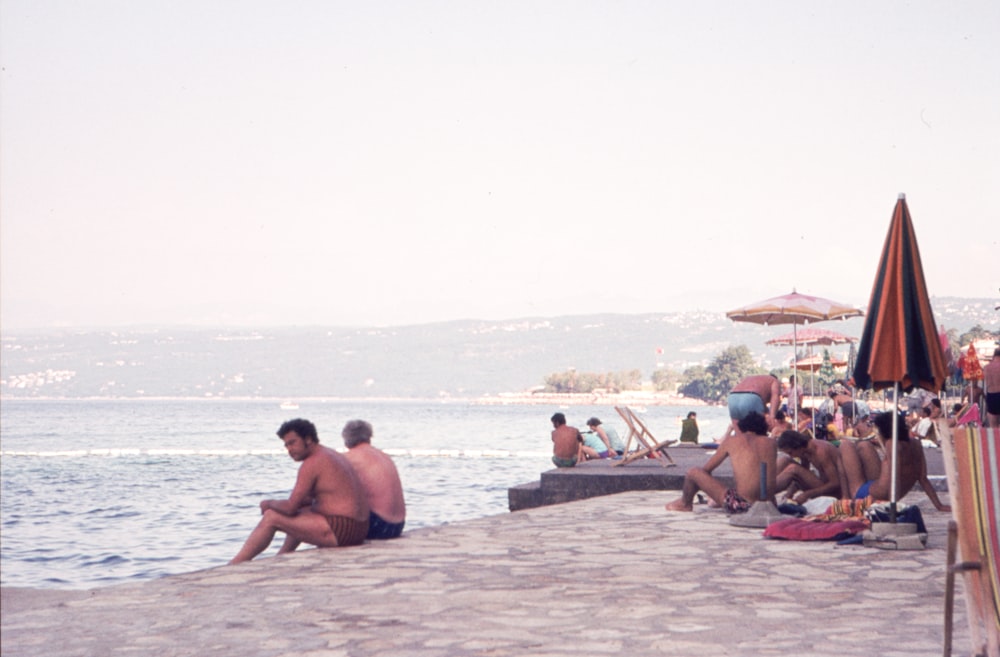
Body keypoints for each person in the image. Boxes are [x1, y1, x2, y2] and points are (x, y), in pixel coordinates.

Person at [230, 418, 370, 564]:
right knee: (301, 510)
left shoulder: (312, 463)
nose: (289, 450)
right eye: (286, 445)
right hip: (360, 529)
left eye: (292, 443)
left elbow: (290, 507)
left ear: (308, 440)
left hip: (342, 531)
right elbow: (304, 502)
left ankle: (236, 563)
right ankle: (283, 555)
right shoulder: (330, 454)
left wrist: (268, 503)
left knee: (272, 517)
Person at [664, 412, 777, 514]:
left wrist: (711, 491)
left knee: (693, 472)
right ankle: (705, 501)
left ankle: (685, 503)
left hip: (742, 505)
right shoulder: (771, 443)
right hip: (769, 505)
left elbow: (706, 470)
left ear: (743, 426)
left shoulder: (732, 441)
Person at [838, 412, 950, 512]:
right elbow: (922, 478)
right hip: (885, 489)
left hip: (874, 495)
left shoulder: (891, 444)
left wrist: (891, 505)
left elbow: (894, 475)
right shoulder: (915, 444)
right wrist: (939, 505)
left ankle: (846, 497)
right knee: (864, 445)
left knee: (845, 445)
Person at [341, 419, 406, 540]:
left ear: (346, 439)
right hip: (397, 526)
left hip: (379, 527)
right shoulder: (383, 456)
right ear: (369, 437)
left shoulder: (350, 458)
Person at [775, 430, 847, 504]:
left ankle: (767, 492)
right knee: (785, 460)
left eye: (791, 452)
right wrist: (790, 492)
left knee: (793, 468)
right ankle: (768, 490)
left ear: (797, 446)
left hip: (834, 491)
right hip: (823, 485)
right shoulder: (804, 451)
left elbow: (835, 483)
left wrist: (807, 494)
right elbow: (801, 475)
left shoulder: (820, 452)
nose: (791, 456)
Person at [985, 347, 1000, 428]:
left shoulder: (986, 367)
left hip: (991, 395)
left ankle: (996, 440)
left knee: (993, 426)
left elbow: (987, 383)